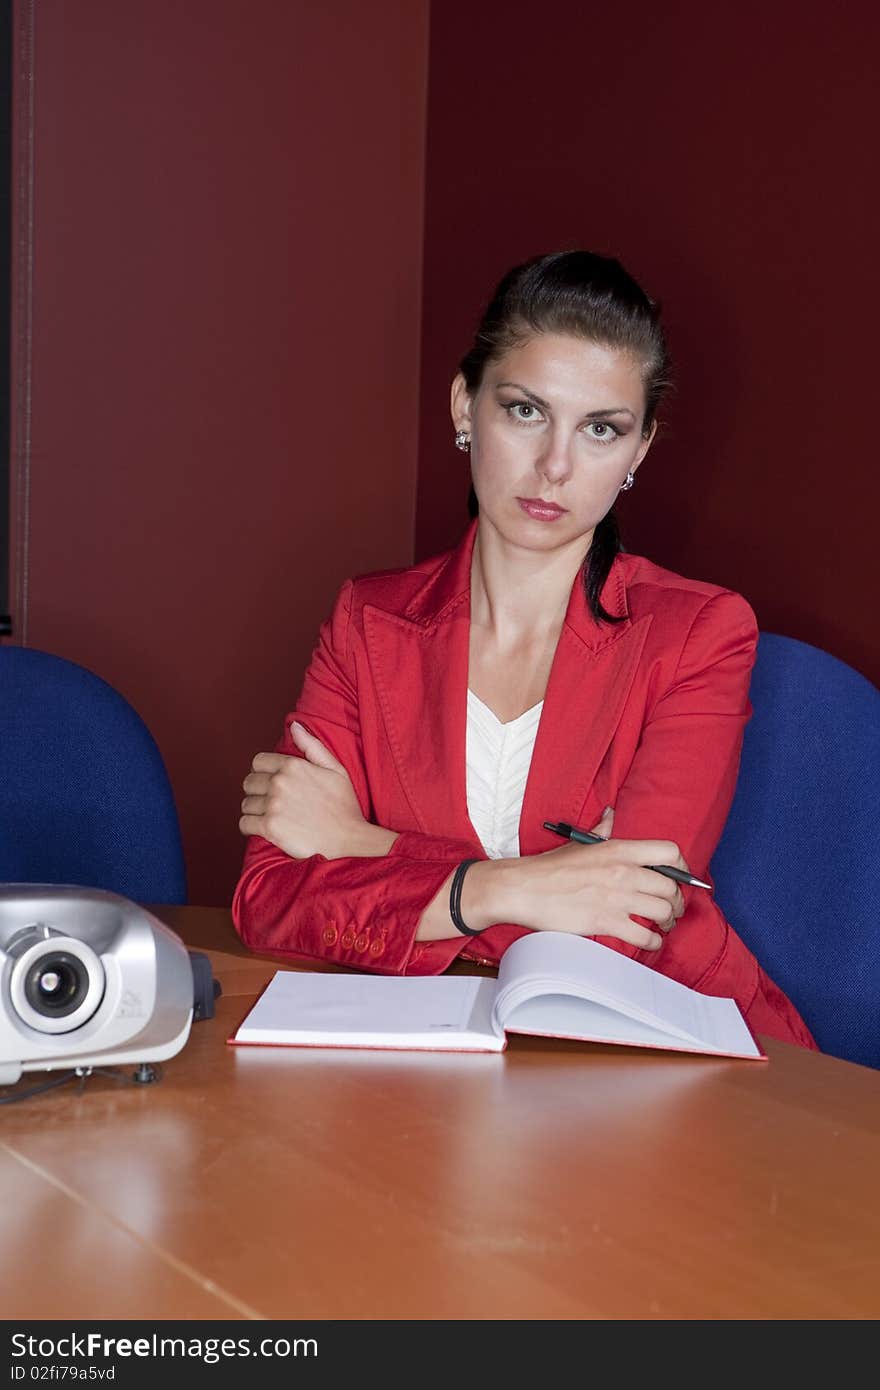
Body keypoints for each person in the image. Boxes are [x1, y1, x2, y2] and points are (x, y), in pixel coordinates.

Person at [233, 250, 816, 1050]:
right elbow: (269, 901)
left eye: (601, 429)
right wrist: (533, 889)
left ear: (639, 451)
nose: (556, 466)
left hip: (670, 1053)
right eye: (526, 411)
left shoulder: (699, 634)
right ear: (464, 405)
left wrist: (361, 845)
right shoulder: (368, 621)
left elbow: (617, 936)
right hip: (435, 1059)